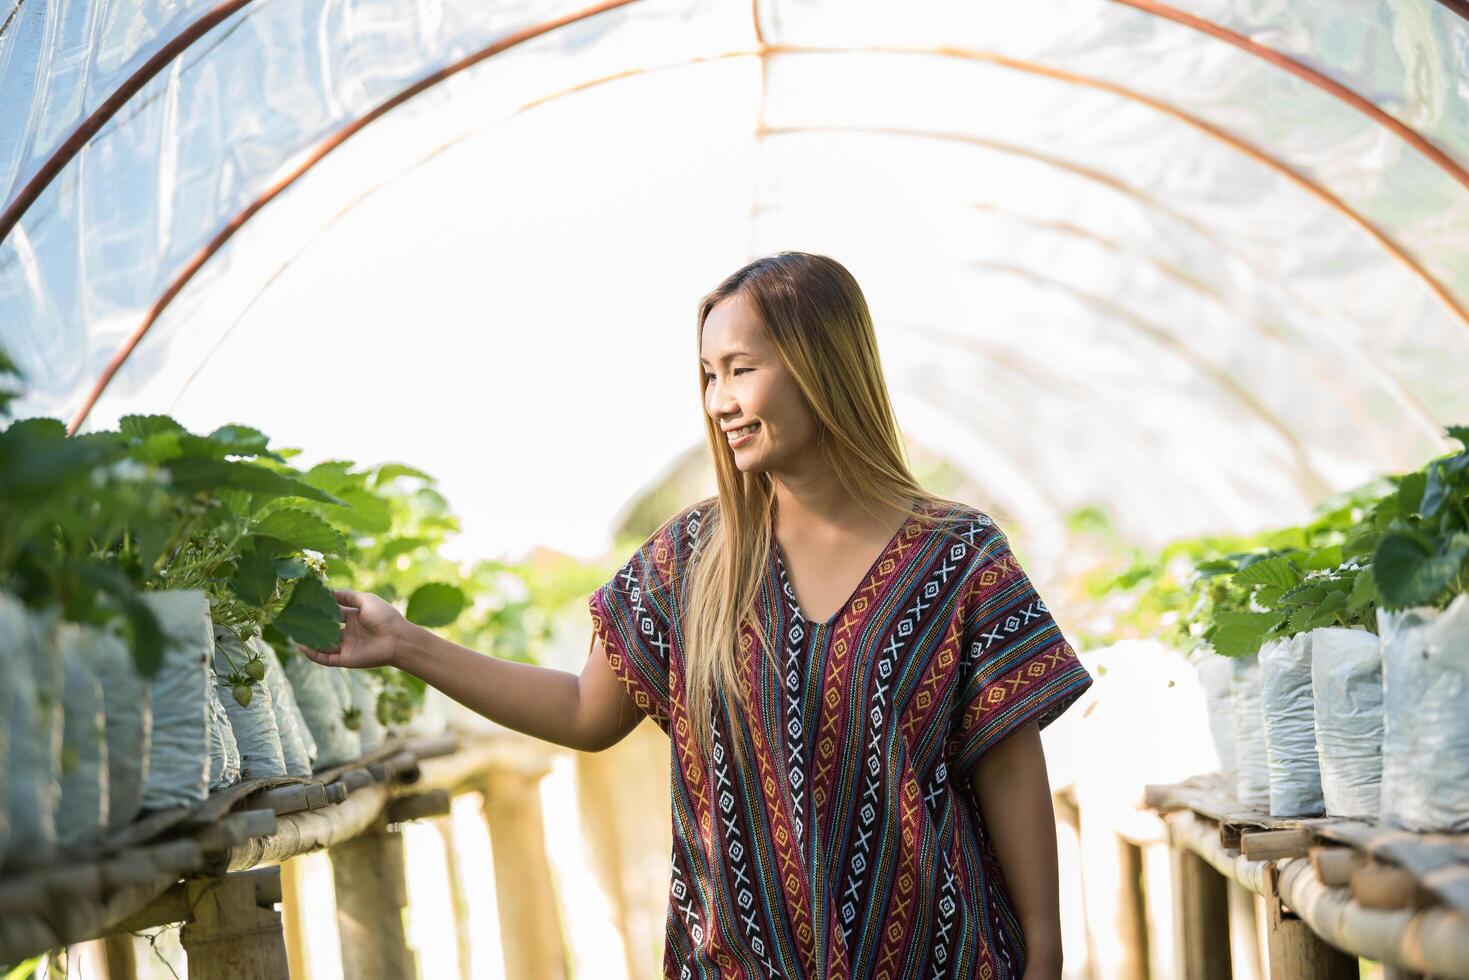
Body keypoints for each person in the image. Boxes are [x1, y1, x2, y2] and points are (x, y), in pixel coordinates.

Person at [300, 251, 1094, 979]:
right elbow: (585, 711)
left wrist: (1046, 948)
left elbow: (1009, 762)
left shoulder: (957, 554)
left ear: (822, 365)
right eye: (708, 374)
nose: (719, 401)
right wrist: (404, 643)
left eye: (740, 369)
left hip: (939, 956)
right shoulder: (692, 559)